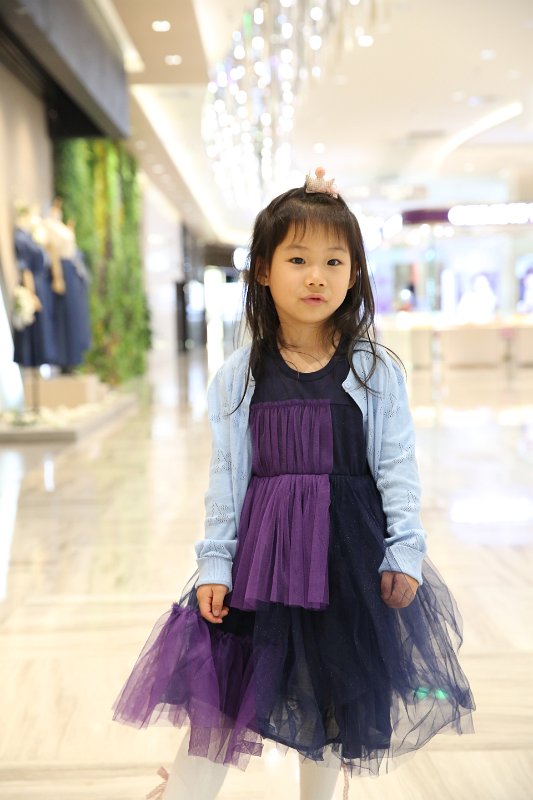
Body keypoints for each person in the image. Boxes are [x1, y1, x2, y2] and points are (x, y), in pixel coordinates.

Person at [113, 168, 475, 799]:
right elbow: (227, 478)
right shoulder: (239, 375)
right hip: (263, 561)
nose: (316, 277)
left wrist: (405, 549)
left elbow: (397, 467)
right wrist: (215, 562)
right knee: (224, 696)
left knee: (335, 701)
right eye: (298, 259)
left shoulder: (374, 370)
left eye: (334, 261)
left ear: (354, 274)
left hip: (346, 559)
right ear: (262, 269)